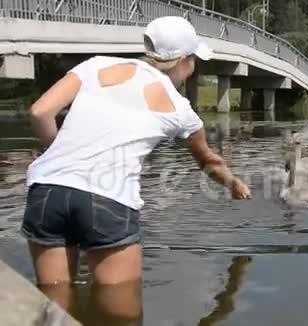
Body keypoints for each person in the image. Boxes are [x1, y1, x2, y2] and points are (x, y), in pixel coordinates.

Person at [19, 15, 251, 316]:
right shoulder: (181, 110)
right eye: (194, 58)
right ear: (183, 60)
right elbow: (208, 161)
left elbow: (39, 112)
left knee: (55, 303)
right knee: (121, 316)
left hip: (46, 190)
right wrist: (233, 182)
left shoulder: (96, 65)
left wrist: (57, 153)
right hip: (107, 199)